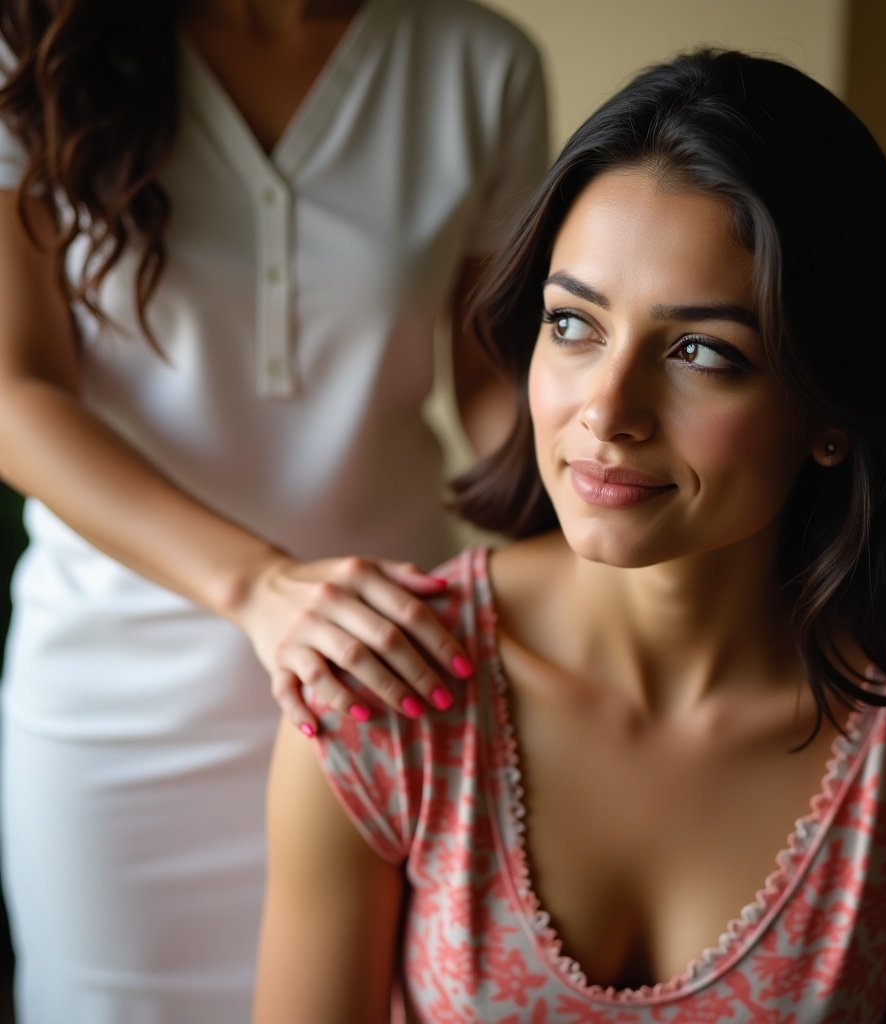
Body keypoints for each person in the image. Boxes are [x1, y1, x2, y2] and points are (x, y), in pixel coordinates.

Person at [253, 48, 886, 1024]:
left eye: (701, 351)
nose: (607, 409)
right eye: (573, 324)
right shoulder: (391, 691)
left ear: (832, 405)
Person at [0, 0, 548, 1020]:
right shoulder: (30, 46)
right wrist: (258, 583)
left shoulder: (479, 63)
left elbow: (488, 375)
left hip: (392, 680)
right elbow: (14, 391)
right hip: (114, 697)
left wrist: (606, 533)